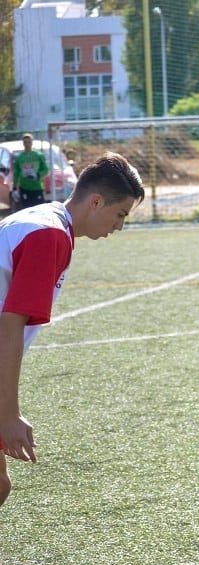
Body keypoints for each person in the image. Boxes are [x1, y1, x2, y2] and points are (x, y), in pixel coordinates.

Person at [0, 152, 145, 506]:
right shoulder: (48, 235)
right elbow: (10, 325)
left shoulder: (46, 222)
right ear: (96, 201)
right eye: (120, 214)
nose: (119, 226)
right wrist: (8, 414)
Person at [12, 133, 49, 210]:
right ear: (23, 143)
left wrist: (38, 175)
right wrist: (14, 188)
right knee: (26, 211)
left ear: (32, 142)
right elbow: (16, 173)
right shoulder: (19, 157)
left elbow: (46, 169)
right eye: (25, 142)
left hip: (37, 187)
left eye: (29, 142)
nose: (27, 144)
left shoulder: (38, 155)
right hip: (24, 188)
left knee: (39, 210)